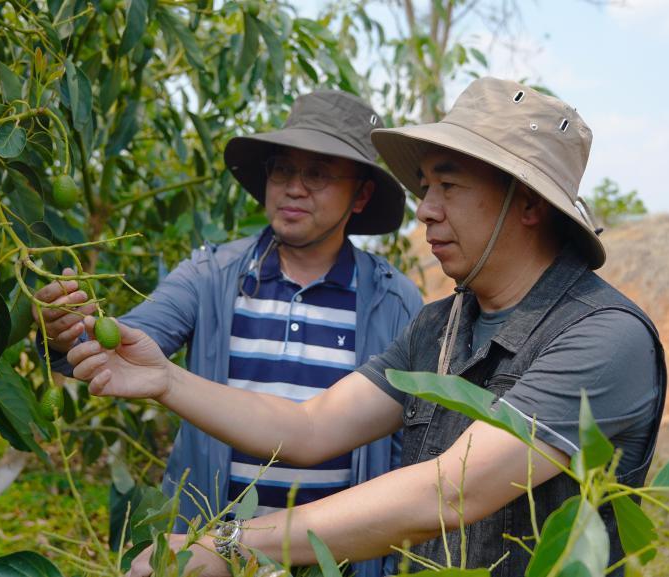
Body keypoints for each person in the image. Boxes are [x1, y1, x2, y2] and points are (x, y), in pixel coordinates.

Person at [66, 77, 667, 577]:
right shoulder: (439, 327)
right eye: (426, 186)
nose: (427, 208)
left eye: (449, 186)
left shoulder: (602, 338)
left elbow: (450, 492)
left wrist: (227, 545)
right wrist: (166, 379)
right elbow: (310, 428)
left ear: (528, 205)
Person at [32, 91, 423, 577]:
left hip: (335, 561)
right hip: (210, 551)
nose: (293, 189)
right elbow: (121, 346)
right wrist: (65, 331)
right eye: (282, 170)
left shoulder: (396, 300)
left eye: (318, 174)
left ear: (361, 195)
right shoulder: (211, 275)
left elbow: (412, 451)